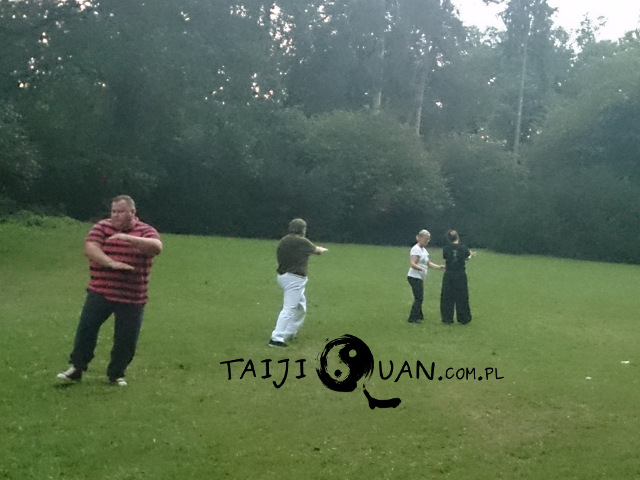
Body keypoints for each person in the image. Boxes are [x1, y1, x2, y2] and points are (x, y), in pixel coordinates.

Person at [57, 195, 163, 386]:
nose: (115, 215)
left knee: (126, 339)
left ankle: (116, 374)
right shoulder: (102, 227)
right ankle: (77, 368)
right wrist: (111, 263)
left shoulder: (146, 231)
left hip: (132, 296)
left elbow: (156, 247)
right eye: (113, 211)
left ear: (132, 212)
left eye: (120, 212)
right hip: (100, 291)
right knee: (86, 330)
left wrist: (127, 238)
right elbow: (90, 247)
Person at [269, 218, 328, 347]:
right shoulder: (301, 241)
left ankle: (289, 332)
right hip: (294, 279)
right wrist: (323, 249)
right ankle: (276, 338)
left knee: (300, 308)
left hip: (283, 276)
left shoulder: (284, 240)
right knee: (289, 309)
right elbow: (316, 251)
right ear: (302, 230)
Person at [407, 229, 444, 323]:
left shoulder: (423, 250)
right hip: (414, 277)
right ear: (419, 238)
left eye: (428, 239)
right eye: (425, 239)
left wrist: (439, 267)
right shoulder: (416, 249)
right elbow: (412, 263)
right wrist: (421, 269)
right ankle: (412, 318)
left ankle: (419, 316)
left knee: (419, 296)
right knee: (419, 297)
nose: (427, 241)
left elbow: (428, 263)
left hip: (419, 277)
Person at [440, 229, 476, 325]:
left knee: (447, 296)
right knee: (462, 296)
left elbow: (446, 257)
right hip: (460, 274)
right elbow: (466, 258)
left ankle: (447, 318)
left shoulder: (446, 248)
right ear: (457, 237)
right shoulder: (463, 248)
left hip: (449, 274)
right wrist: (471, 255)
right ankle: (463, 318)